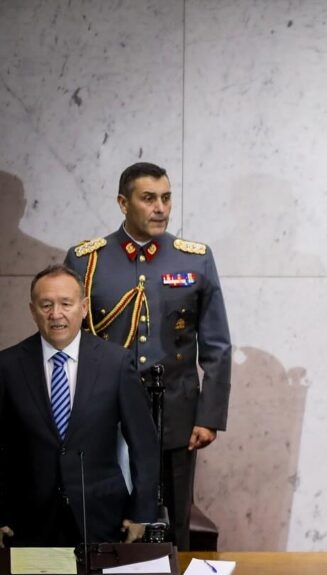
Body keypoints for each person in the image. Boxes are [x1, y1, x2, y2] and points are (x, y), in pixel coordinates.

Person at [64, 162, 231, 550]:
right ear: (124, 203)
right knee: (102, 518)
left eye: (166, 198)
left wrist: (208, 417)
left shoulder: (195, 259)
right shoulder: (87, 260)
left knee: (174, 523)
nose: (161, 208)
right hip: (104, 415)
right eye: (149, 198)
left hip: (174, 415)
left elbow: (217, 345)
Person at [0, 265, 159, 547]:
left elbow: (144, 445)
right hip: (28, 522)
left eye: (66, 304)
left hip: (103, 518)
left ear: (84, 308)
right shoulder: (8, 366)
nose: (56, 314)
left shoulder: (116, 364)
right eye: (46, 305)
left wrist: (141, 512)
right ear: (32, 310)